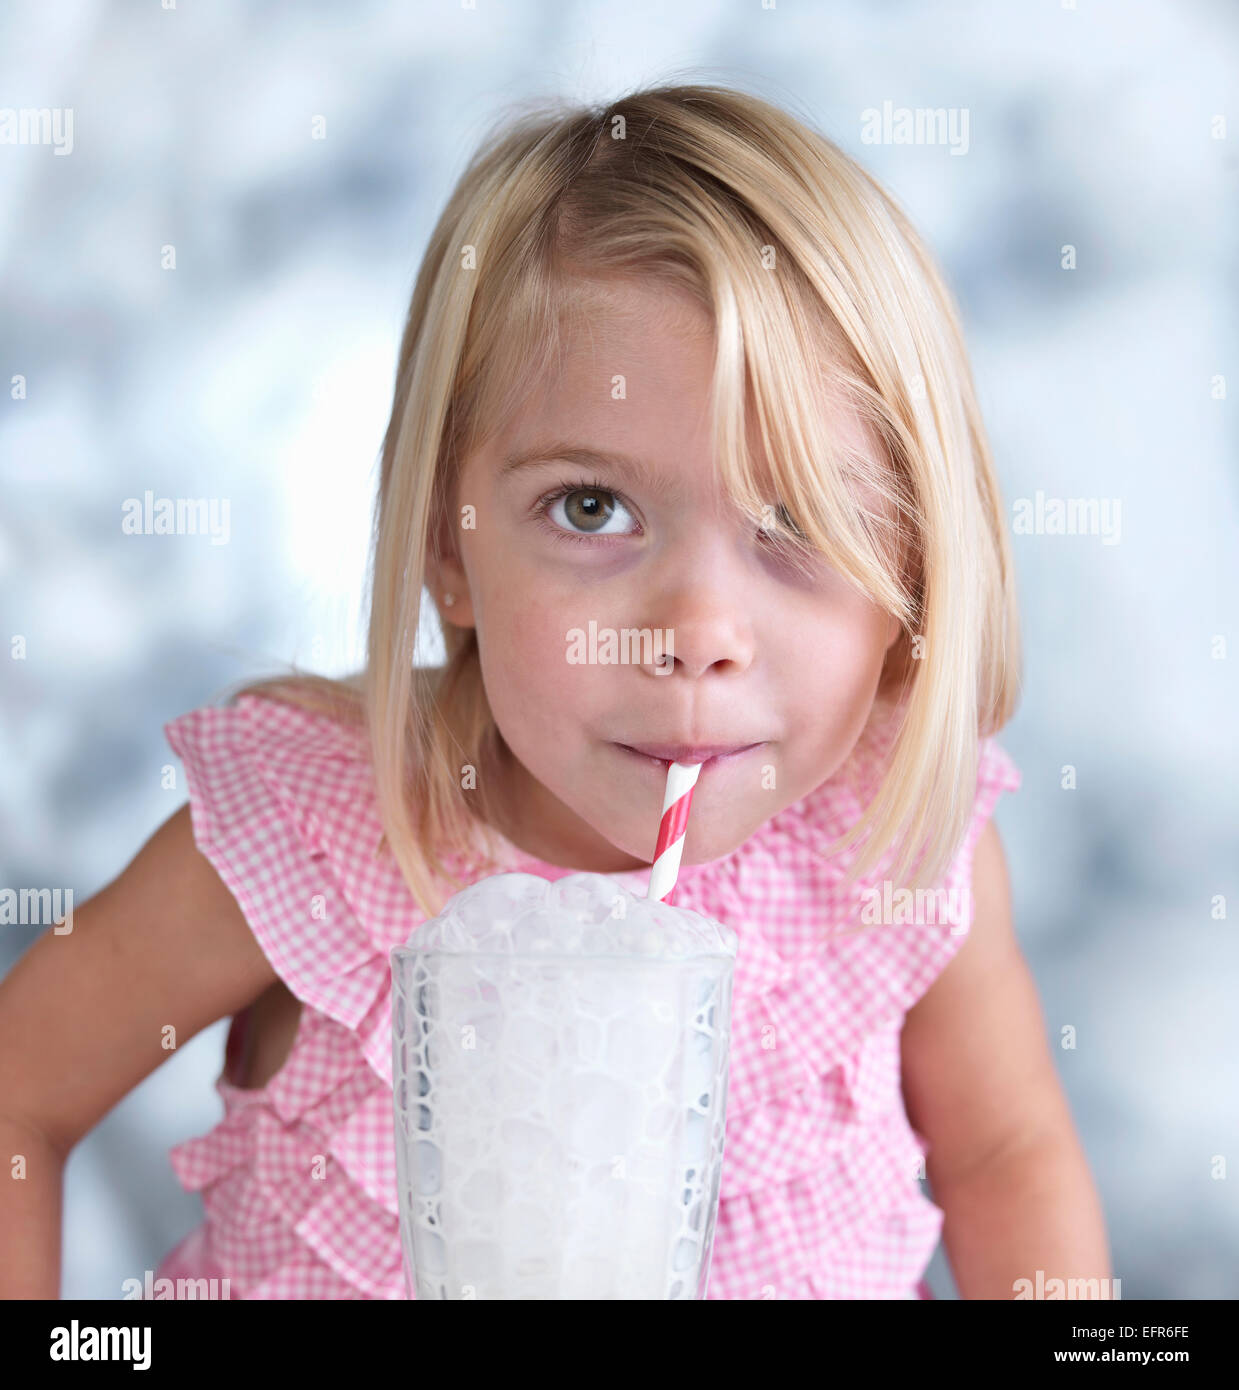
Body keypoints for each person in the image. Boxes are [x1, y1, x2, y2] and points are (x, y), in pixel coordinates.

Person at [0, 80, 1110, 1300]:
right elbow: (20, 1094)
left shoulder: (891, 840)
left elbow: (1004, 1158)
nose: (696, 635)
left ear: (914, 568)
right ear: (445, 542)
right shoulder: (319, 833)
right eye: (593, 507)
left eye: (799, 521)